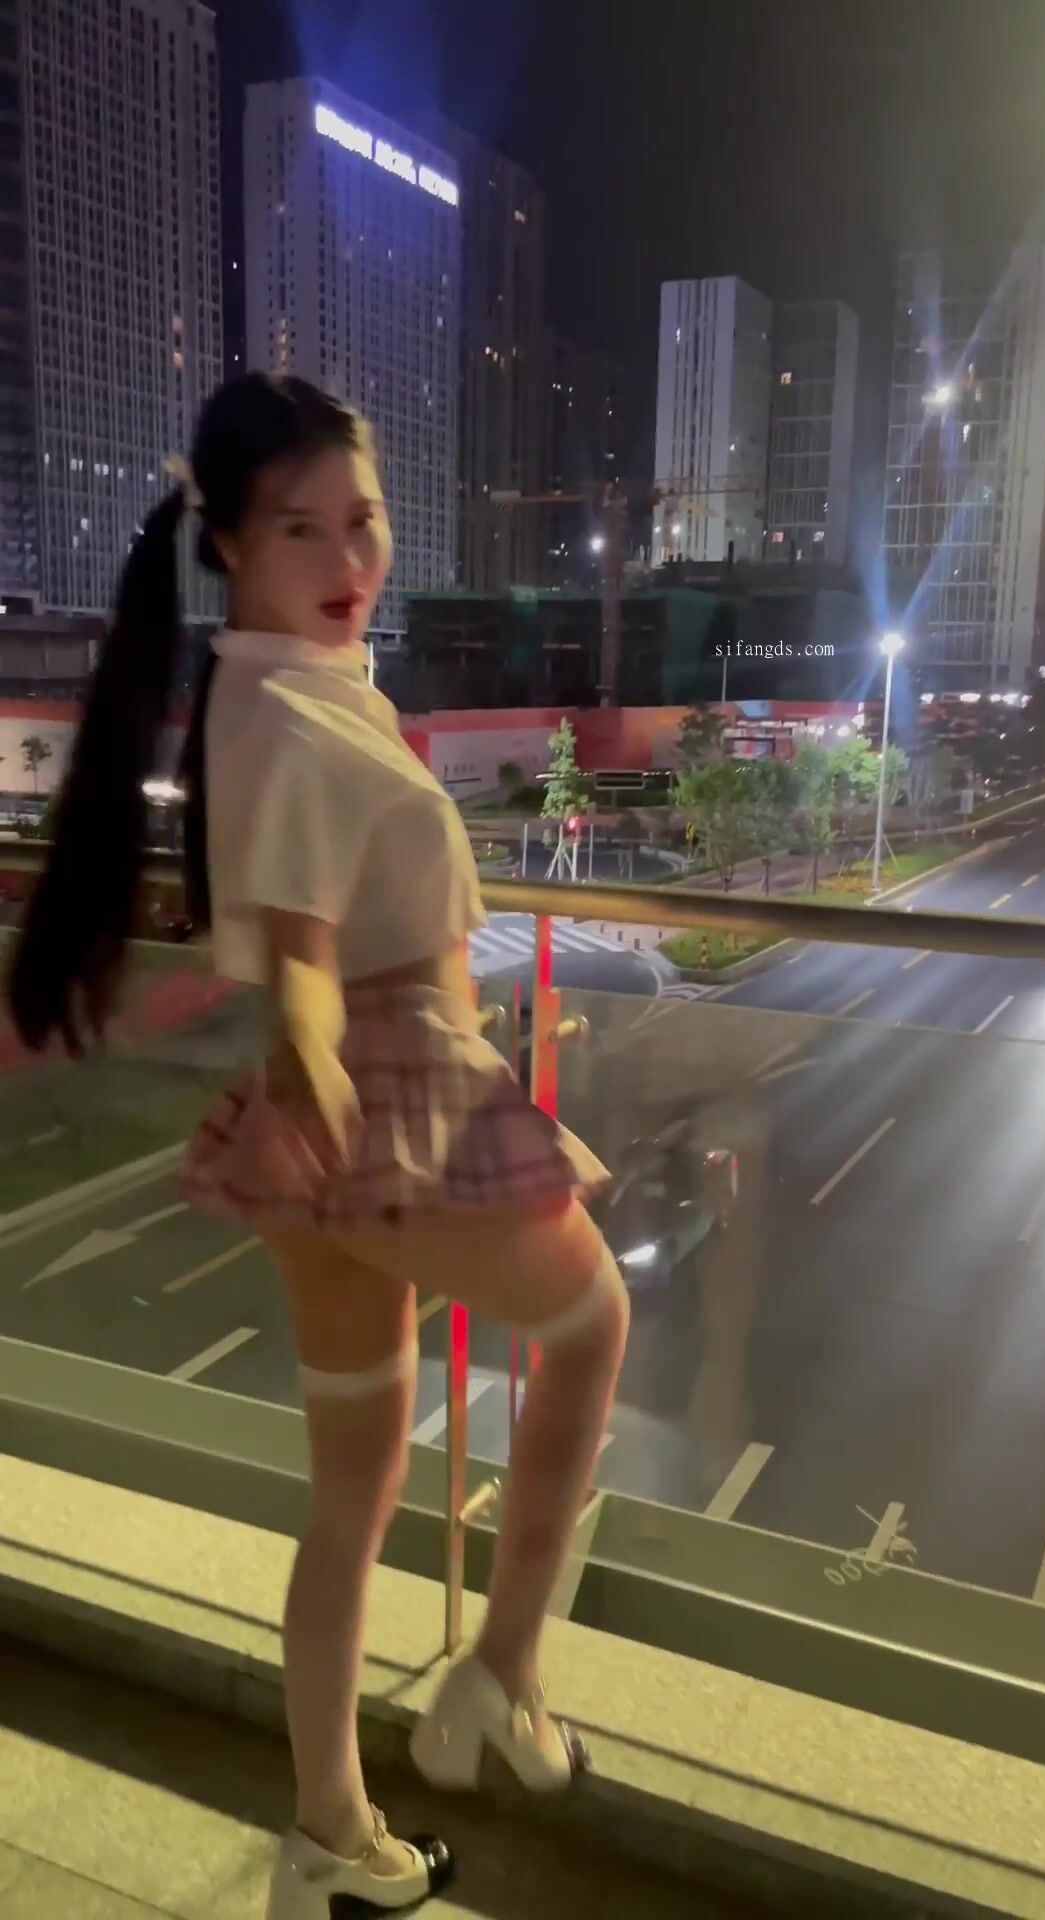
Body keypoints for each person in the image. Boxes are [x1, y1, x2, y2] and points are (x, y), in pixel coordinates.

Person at [6, 374, 629, 1918]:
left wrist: (309, 1068)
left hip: (344, 1110)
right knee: (591, 1325)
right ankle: (499, 1678)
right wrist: (318, 1066)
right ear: (227, 541)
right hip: (381, 1093)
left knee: (351, 1500)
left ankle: (331, 1836)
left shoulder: (292, 685)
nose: (350, 556)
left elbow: (297, 929)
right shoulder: (283, 712)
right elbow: (294, 953)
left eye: (364, 519)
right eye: (302, 529)